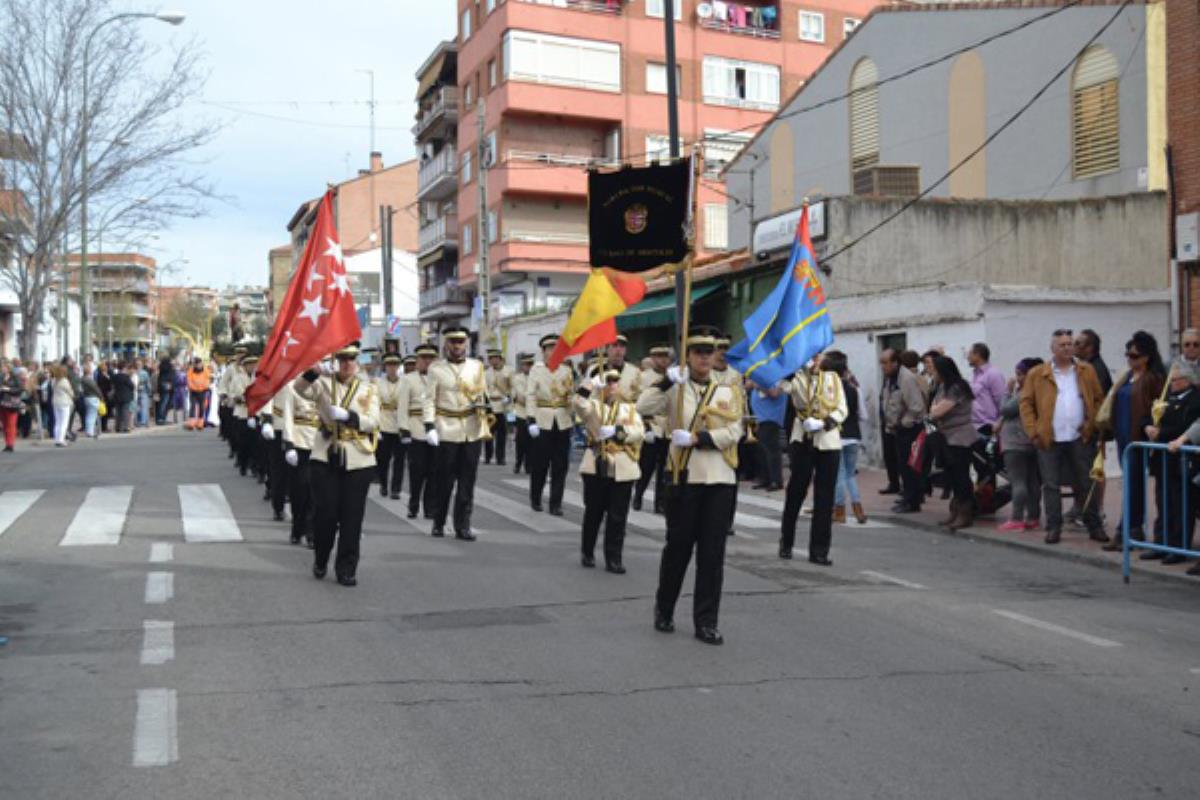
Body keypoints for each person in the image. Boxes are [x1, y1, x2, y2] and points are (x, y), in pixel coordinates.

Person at [638, 328, 743, 645]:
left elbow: (735, 429)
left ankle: (706, 621)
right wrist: (668, 380)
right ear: (687, 357)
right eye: (697, 353)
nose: (704, 358)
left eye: (708, 353)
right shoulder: (675, 389)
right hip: (684, 478)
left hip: (719, 478)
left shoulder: (727, 390)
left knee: (712, 557)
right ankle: (665, 608)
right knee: (678, 551)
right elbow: (642, 408)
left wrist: (701, 438)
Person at [295, 342, 380, 586]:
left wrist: (349, 417)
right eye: (342, 358)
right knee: (326, 516)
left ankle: (347, 568)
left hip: (358, 456)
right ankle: (321, 558)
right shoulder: (323, 383)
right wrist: (314, 371)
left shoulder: (368, 388)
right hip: (326, 454)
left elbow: (373, 421)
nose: (346, 363)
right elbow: (299, 389)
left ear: (357, 361)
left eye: (351, 359)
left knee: (352, 518)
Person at [1019, 329, 1108, 545]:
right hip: (1049, 438)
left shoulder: (1086, 370)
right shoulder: (1038, 374)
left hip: (1079, 436)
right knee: (1051, 485)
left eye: (1070, 344)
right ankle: (1053, 527)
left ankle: (1093, 524)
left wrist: (1091, 424)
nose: (1068, 348)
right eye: (1063, 345)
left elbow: (1098, 399)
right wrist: (1033, 432)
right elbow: (1026, 403)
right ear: (1052, 349)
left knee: (1086, 483)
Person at [1096, 331, 1166, 549]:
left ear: (1146, 357)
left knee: (1133, 485)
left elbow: (1157, 410)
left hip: (1138, 440)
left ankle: (1127, 532)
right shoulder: (1127, 377)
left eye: (1134, 355)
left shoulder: (1153, 379)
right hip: (1123, 437)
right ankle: (1131, 530)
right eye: (1127, 354)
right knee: (1129, 484)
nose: (1129, 359)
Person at [574, 365, 644, 573]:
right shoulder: (592, 406)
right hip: (597, 463)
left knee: (618, 515)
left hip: (623, 465)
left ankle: (614, 557)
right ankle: (587, 551)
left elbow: (639, 431)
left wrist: (618, 431)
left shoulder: (628, 408)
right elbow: (578, 403)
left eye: (615, 380)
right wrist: (589, 383)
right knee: (594, 512)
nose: (612, 385)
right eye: (607, 380)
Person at [779, 356, 848, 565]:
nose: (816, 359)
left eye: (818, 355)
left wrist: (824, 423)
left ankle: (819, 550)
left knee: (825, 497)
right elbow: (789, 391)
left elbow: (842, 408)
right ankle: (786, 541)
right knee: (796, 492)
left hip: (828, 440)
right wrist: (796, 371)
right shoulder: (797, 378)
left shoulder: (833, 379)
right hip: (803, 439)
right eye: (811, 355)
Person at [422, 327, 489, 540]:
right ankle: (439, 522)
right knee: (444, 481)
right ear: (445, 344)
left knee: (467, 482)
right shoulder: (436, 369)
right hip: (446, 428)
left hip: (471, 429)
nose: (457, 346)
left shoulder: (477, 367)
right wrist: (429, 426)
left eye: (460, 342)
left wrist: (486, 407)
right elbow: (429, 400)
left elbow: (482, 394)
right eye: (452, 342)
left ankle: (463, 525)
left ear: (467, 343)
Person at [1144, 360, 1200, 564]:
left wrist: (1161, 433)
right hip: (1163, 460)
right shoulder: (1167, 398)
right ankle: (1161, 543)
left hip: (1182, 460)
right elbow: (1151, 417)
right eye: (1172, 379)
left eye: (1176, 380)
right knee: (1163, 502)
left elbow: (1186, 427)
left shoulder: (1194, 400)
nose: (1172, 383)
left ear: (1187, 380)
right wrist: (1148, 427)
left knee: (1181, 505)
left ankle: (1178, 547)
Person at [526, 334, 575, 515]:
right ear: (543, 351)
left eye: (557, 348)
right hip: (543, 419)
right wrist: (531, 420)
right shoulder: (536, 370)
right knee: (540, 463)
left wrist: (574, 409)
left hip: (562, 420)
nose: (553, 352)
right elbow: (531, 395)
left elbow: (570, 394)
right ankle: (536, 497)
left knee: (560, 465)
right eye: (549, 348)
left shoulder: (566, 370)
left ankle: (556, 503)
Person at [928, 356, 977, 530]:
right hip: (947, 436)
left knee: (961, 475)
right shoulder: (943, 386)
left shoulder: (957, 388)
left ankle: (965, 512)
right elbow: (933, 406)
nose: (932, 373)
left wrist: (934, 409)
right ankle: (955, 510)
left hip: (960, 436)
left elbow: (937, 411)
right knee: (952, 475)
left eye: (934, 370)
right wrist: (934, 408)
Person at [995, 358, 1043, 531]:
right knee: (1032, 482)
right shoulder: (1041, 392)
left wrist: (1007, 392)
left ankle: (1016, 518)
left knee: (1018, 481)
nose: (1017, 378)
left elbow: (1005, 409)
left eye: (1020, 374)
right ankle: (1033, 516)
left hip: (1016, 443)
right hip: (1030, 442)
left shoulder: (1024, 394)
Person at [880, 348, 927, 513]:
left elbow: (916, 406)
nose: (882, 366)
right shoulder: (890, 378)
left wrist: (903, 423)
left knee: (909, 467)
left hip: (909, 428)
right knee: (903, 466)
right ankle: (908, 497)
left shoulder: (906, 378)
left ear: (895, 363)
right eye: (881, 363)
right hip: (897, 429)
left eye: (885, 363)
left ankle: (912, 501)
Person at [827, 352, 868, 524]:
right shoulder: (854, 389)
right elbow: (863, 415)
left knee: (839, 475)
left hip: (836, 435)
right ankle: (858, 509)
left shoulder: (829, 390)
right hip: (853, 435)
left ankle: (840, 511)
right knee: (850, 475)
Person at [279, 376, 318, 547]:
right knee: (299, 490)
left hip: (320, 444)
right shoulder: (292, 386)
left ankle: (311, 532)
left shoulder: (325, 385)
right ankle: (297, 528)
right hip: (300, 442)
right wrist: (289, 444)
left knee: (315, 491)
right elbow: (287, 416)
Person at [633, 343, 672, 513]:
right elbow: (638, 402)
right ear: (653, 358)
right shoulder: (644, 377)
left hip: (668, 425)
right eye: (659, 357)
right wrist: (644, 426)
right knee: (646, 466)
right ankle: (638, 494)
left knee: (665, 467)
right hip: (651, 424)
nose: (663, 360)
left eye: (666, 357)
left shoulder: (672, 376)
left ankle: (661, 502)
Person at [401, 343, 437, 519]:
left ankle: (430, 507)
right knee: (417, 473)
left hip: (436, 431)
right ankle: (413, 504)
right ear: (417, 361)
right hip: (416, 429)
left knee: (433, 472)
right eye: (424, 358)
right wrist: (404, 431)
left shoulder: (439, 377)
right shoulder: (409, 379)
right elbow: (402, 407)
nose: (427, 362)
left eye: (431, 358)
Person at [374, 353, 406, 499]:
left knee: (399, 460)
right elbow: (374, 404)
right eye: (389, 366)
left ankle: (396, 489)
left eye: (395, 365)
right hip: (384, 423)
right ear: (385, 367)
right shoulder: (377, 383)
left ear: (398, 367)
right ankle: (383, 484)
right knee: (383, 459)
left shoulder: (405, 383)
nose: (392, 368)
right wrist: (376, 426)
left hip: (400, 424)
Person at [750, 378, 786, 492]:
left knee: (772, 450)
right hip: (760, 418)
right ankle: (765, 478)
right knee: (762, 449)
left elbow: (775, 393)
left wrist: (759, 385)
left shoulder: (779, 378)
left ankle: (776, 480)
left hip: (770, 418)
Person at [483, 348, 513, 466]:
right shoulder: (486, 373)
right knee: (488, 434)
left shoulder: (508, 371)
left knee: (501, 435)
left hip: (503, 405)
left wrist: (509, 397)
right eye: (491, 359)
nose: (494, 361)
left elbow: (512, 387)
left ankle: (501, 458)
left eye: (496, 358)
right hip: (490, 405)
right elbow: (483, 390)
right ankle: (488, 456)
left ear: (500, 359)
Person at [511, 353, 534, 475]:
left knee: (531, 442)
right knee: (521, 441)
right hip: (521, 413)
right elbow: (520, 396)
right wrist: (532, 398)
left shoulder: (536, 377)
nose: (528, 367)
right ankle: (518, 463)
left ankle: (529, 465)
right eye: (526, 364)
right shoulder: (517, 378)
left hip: (533, 414)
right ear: (522, 366)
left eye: (530, 364)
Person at [1075, 329, 1113, 396]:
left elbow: (1097, 397)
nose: (1073, 346)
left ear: (1089, 348)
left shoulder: (1097, 370)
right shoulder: (1087, 365)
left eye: (1077, 343)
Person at [0, 362, 24, 452]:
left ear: (9, 368)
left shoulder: (15, 377)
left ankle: (11, 444)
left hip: (12, 404)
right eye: (2, 367)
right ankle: (7, 443)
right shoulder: (1, 377)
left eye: (4, 367)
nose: (2, 369)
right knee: (5, 424)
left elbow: (20, 389)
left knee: (11, 424)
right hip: (2, 403)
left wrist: (8, 389)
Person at [51, 365, 75, 446]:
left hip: (55, 402)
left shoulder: (53, 380)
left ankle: (57, 439)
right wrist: (73, 395)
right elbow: (70, 391)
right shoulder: (65, 381)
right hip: (64, 403)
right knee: (64, 422)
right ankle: (61, 440)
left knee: (58, 422)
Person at [80, 368, 103, 439]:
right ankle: (90, 432)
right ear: (89, 372)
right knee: (92, 415)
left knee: (89, 415)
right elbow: (95, 388)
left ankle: (88, 431)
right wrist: (101, 396)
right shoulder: (89, 380)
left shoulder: (82, 379)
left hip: (86, 397)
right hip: (92, 397)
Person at [155, 355, 175, 425]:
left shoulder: (161, 368)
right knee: (165, 403)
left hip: (162, 385)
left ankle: (160, 418)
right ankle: (162, 418)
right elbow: (172, 376)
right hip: (168, 385)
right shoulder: (169, 367)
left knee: (162, 402)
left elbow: (160, 378)